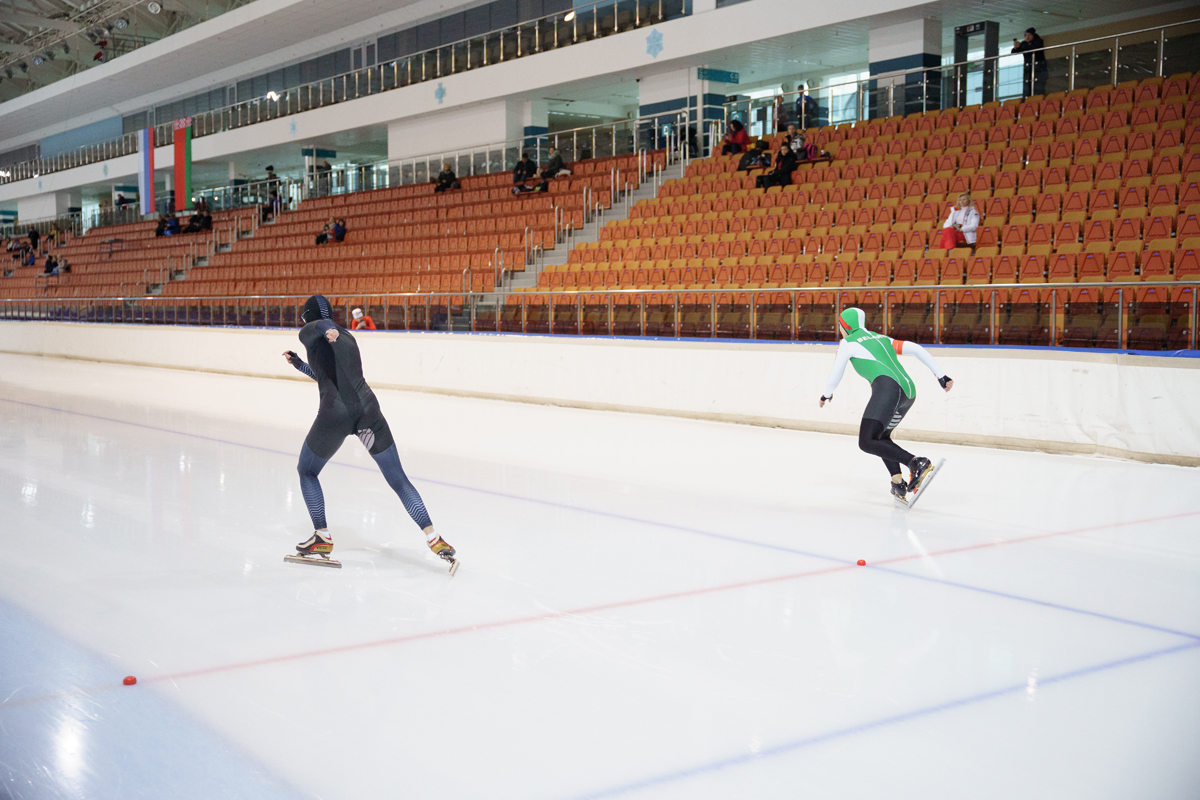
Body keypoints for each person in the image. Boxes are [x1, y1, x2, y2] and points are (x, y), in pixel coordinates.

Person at [282, 295, 458, 571]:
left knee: (307, 471)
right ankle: (433, 537)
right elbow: (325, 375)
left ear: (309, 316)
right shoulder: (349, 337)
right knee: (398, 479)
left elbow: (317, 327)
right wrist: (299, 365)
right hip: (368, 413)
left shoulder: (310, 330)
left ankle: (322, 536)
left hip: (335, 415)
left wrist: (324, 328)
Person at [819, 308, 953, 503]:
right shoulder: (882, 338)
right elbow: (916, 349)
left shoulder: (848, 342)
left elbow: (835, 374)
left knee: (866, 441)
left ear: (845, 325)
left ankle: (915, 462)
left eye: (839, 325)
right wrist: (941, 376)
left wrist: (827, 394)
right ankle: (897, 482)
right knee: (881, 437)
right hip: (908, 392)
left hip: (888, 390)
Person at [1012, 28, 1048, 98]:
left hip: (1039, 68)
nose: (1027, 37)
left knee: (1039, 87)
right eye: (1026, 35)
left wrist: (1021, 46)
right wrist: (1015, 47)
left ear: (1033, 35)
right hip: (1028, 69)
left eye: (1029, 35)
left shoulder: (1038, 41)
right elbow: (1014, 52)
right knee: (1027, 87)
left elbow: (1032, 48)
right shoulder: (1024, 43)